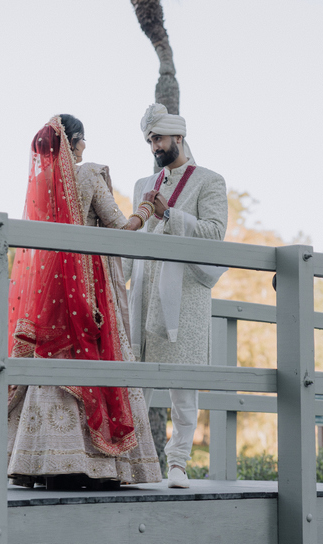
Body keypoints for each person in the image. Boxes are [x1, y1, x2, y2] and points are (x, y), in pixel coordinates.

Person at [6, 114, 162, 490]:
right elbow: (120, 228)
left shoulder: (42, 182)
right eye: (82, 139)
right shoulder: (90, 174)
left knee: (54, 362)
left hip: (50, 288)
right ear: (73, 142)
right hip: (88, 284)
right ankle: (100, 466)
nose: (85, 146)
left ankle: (49, 463)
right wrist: (146, 208)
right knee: (98, 361)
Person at [125, 104, 228, 488]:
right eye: (150, 140)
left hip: (185, 294)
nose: (154, 146)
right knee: (136, 381)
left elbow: (215, 232)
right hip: (144, 290)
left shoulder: (209, 181)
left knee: (184, 383)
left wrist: (170, 215)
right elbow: (133, 240)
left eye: (159, 139)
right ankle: (130, 461)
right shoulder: (142, 185)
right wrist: (117, 280)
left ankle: (179, 465)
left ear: (179, 137)